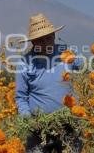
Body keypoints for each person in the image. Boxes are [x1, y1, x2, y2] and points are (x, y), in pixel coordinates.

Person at [15, 13, 83, 153]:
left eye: (48, 38)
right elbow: (21, 97)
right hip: (39, 129)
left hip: (69, 124)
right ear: (33, 42)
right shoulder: (25, 62)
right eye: (40, 40)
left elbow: (84, 68)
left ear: (54, 36)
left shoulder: (66, 53)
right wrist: (29, 121)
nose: (46, 43)